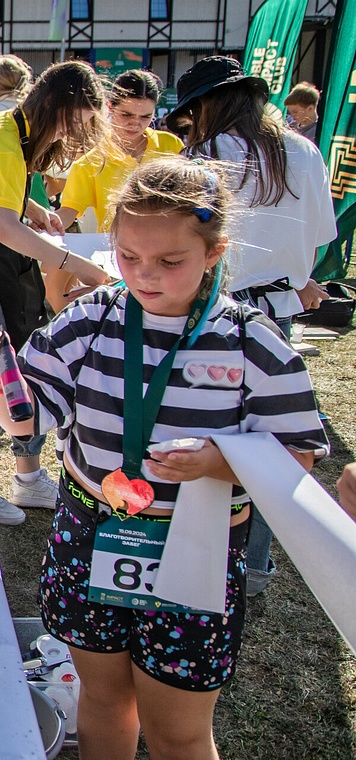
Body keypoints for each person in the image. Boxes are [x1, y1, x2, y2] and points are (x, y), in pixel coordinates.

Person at [0, 157, 327, 760]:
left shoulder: (250, 342)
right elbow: (29, 419)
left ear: (214, 252)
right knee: (102, 704)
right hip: (92, 531)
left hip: (196, 544)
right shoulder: (91, 319)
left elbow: (299, 458)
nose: (144, 276)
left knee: (179, 731)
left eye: (169, 262)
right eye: (128, 257)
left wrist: (219, 464)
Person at [164, 55, 336, 596]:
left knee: (207, 438)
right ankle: (254, 563)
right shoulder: (304, 151)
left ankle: (200, 553)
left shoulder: (205, 159)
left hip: (214, 313)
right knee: (268, 443)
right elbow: (320, 239)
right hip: (279, 315)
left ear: (207, 107)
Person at [0, 60, 109, 524]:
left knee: (23, 376)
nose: (70, 138)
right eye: (73, 125)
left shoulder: (8, 130)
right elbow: (2, 228)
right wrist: (73, 263)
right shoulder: (3, 138)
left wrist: (34, 209)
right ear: (57, 107)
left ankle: (27, 477)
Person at [58, 70, 183, 234]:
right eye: (127, 115)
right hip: (118, 252)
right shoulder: (90, 163)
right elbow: (68, 211)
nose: (135, 123)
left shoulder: (172, 145)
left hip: (169, 246)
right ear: (110, 107)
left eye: (145, 117)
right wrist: (45, 221)